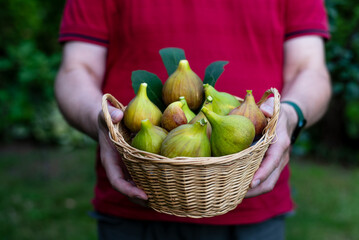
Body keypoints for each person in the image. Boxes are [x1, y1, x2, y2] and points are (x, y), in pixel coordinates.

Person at [55, 0, 331, 239]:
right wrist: (101, 118)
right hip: (135, 200)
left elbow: (310, 70)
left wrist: (291, 114)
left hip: (253, 204)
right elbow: (76, 70)